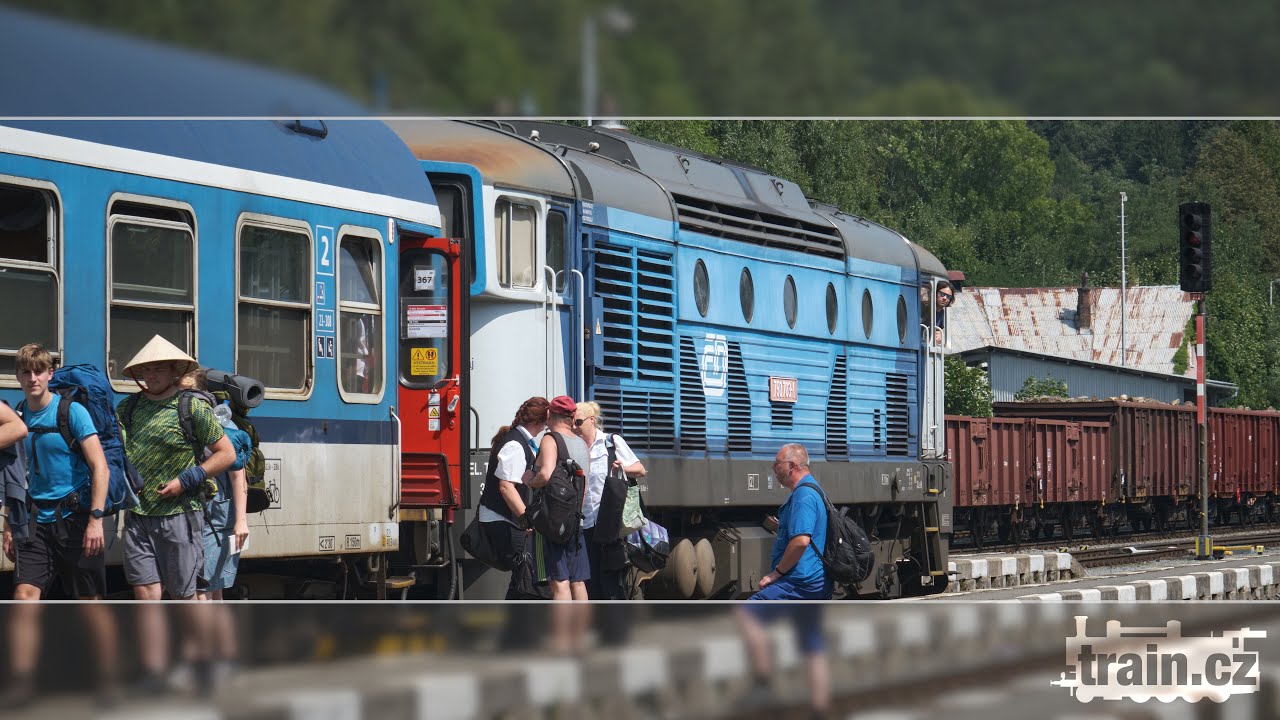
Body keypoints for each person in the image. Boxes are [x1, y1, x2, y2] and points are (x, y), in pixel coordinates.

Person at [0, 343, 118, 707]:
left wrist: (96, 520)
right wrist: (9, 523)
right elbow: (17, 475)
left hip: (77, 520)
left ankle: (108, 681)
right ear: (17, 376)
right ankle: (23, 683)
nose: (32, 378)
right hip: (36, 522)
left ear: (50, 374)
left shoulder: (72, 412)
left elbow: (100, 467)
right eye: (25, 372)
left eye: (39, 371)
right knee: (24, 598)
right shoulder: (17, 415)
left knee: (89, 603)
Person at [117, 335, 235, 602]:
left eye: (158, 368)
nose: (150, 375)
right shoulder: (128, 407)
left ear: (174, 372)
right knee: (146, 595)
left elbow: (226, 454)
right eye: (145, 369)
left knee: (184, 596)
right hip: (137, 515)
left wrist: (187, 479)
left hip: (179, 513)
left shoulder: (192, 406)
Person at [733, 443, 832, 719]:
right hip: (815, 581)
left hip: (800, 581)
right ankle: (819, 709)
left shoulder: (803, 496)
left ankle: (763, 683)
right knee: (812, 645)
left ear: (792, 466)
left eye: (776, 464)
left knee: (746, 614)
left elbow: (801, 541)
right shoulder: (813, 490)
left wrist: (776, 572)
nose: (773, 470)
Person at [477, 396, 548, 600]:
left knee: (522, 575)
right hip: (503, 518)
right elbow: (506, 487)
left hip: (508, 517)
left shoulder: (520, 440)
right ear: (539, 422)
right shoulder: (516, 444)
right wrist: (525, 519)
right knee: (525, 572)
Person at [573, 400, 645, 600]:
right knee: (588, 582)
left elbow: (640, 469)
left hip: (609, 523)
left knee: (612, 580)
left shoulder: (611, 442)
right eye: (572, 423)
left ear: (592, 420)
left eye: (578, 422)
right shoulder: (573, 446)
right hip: (583, 524)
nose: (574, 427)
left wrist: (619, 468)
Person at [529, 395, 591, 603]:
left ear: (549, 414)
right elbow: (584, 486)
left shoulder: (550, 439)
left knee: (559, 583)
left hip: (551, 524)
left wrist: (529, 480)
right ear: (573, 417)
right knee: (578, 582)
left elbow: (545, 474)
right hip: (575, 521)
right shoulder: (582, 444)